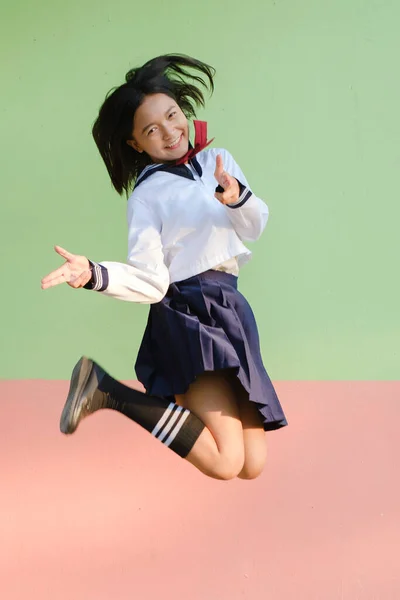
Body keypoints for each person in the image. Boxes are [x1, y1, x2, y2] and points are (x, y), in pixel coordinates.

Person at [41, 54, 287, 481]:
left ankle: (105, 388)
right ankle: (108, 392)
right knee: (226, 462)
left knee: (253, 465)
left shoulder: (218, 163)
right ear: (136, 143)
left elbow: (256, 226)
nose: (170, 132)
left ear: (184, 111)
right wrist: (93, 274)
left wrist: (237, 199)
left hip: (230, 307)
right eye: (151, 129)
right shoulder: (146, 197)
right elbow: (151, 280)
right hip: (188, 314)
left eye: (173, 116)